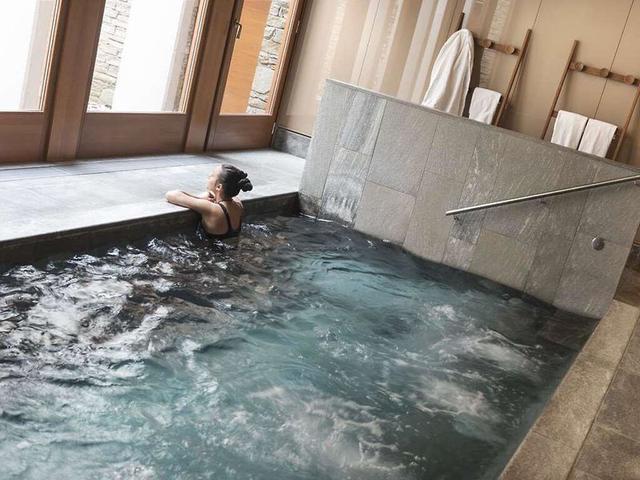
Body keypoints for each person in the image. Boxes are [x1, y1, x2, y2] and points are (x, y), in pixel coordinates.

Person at [165, 164, 253, 239]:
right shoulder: (238, 205)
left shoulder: (211, 208)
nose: (208, 177)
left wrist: (198, 198)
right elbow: (229, 196)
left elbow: (171, 195)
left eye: (212, 176)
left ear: (218, 187)